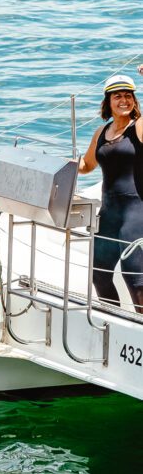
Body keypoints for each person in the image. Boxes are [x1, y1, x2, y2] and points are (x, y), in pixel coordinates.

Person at [79, 72, 143, 311]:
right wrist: (67, 165)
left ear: (135, 101)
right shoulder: (102, 132)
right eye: (118, 96)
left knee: (136, 281)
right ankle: (113, 320)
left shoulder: (138, 127)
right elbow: (87, 165)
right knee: (99, 275)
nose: (124, 100)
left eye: (128, 96)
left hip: (135, 214)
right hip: (109, 215)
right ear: (108, 101)